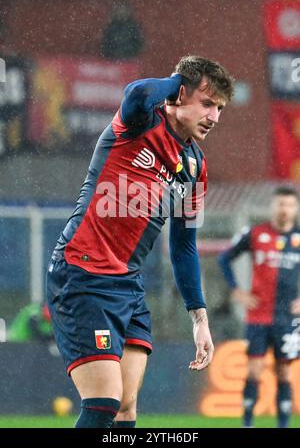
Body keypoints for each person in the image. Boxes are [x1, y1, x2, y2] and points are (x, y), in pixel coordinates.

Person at [46, 55, 234, 428]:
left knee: (126, 411)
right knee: (102, 402)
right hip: (83, 272)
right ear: (180, 94)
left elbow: (184, 245)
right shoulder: (138, 122)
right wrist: (177, 83)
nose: (214, 117)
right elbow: (136, 92)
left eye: (220, 109)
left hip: (129, 288)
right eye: (208, 103)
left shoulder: (196, 168)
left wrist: (200, 318)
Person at [219, 186, 300, 428]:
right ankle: (247, 423)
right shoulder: (255, 233)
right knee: (254, 370)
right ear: (272, 206)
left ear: (294, 208)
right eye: (279, 204)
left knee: (284, 373)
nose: (283, 209)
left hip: (288, 317)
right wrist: (237, 291)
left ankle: (283, 425)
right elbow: (225, 258)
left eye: (288, 205)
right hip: (259, 315)